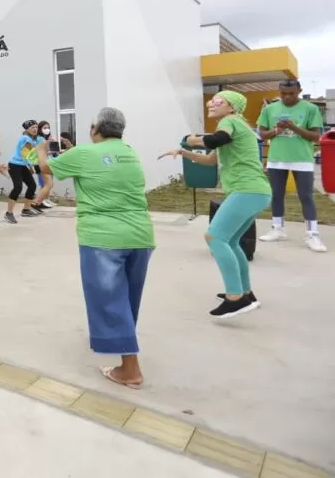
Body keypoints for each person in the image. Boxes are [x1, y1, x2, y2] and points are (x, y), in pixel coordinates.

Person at [34, 107, 155, 389]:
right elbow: (103, 164)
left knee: (110, 299)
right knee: (126, 298)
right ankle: (124, 346)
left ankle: (130, 369)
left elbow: (47, 168)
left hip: (103, 238)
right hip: (140, 235)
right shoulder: (129, 151)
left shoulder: (83, 154)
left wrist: (41, 150)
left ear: (94, 129)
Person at [160, 90, 270, 318]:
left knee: (214, 237)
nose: (211, 103)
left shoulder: (230, 122)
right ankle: (246, 294)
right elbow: (211, 159)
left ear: (232, 108)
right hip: (255, 191)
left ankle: (235, 297)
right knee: (231, 240)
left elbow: (215, 140)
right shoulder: (235, 127)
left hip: (247, 190)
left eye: (219, 101)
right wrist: (184, 151)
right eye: (212, 100)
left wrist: (192, 139)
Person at [256, 80, 326, 252]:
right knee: (276, 194)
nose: (287, 97)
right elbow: (261, 133)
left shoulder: (311, 109)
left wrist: (294, 127)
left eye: (291, 93)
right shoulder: (270, 109)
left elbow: (316, 137)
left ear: (299, 91)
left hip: (302, 159)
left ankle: (312, 234)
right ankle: (277, 229)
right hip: (276, 158)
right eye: (283, 94)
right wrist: (275, 131)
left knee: (306, 196)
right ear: (279, 92)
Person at [4, 120, 42, 224]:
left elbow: (26, 155)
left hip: (22, 165)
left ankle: (26, 209)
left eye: (36, 127)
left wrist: (29, 166)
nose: (35, 129)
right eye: (32, 127)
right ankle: (9, 213)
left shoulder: (30, 139)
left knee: (32, 185)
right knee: (18, 187)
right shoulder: (26, 138)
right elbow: (28, 153)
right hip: (15, 165)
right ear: (27, 129)